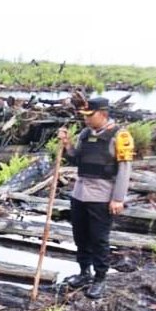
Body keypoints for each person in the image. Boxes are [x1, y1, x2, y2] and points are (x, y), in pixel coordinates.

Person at [57, 97, 134, 299]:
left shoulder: (120, 136)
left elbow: (125, 170)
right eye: (85, 117)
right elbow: (75, 158)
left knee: (99, 239)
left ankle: (100, 278)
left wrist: (118, 199)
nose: (87, 120)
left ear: (103, 114)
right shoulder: (84, 134)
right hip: (80, 193)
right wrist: (67, 144)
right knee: (80, 236)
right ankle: (84, 273)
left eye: (90, 116)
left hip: (102, 195)